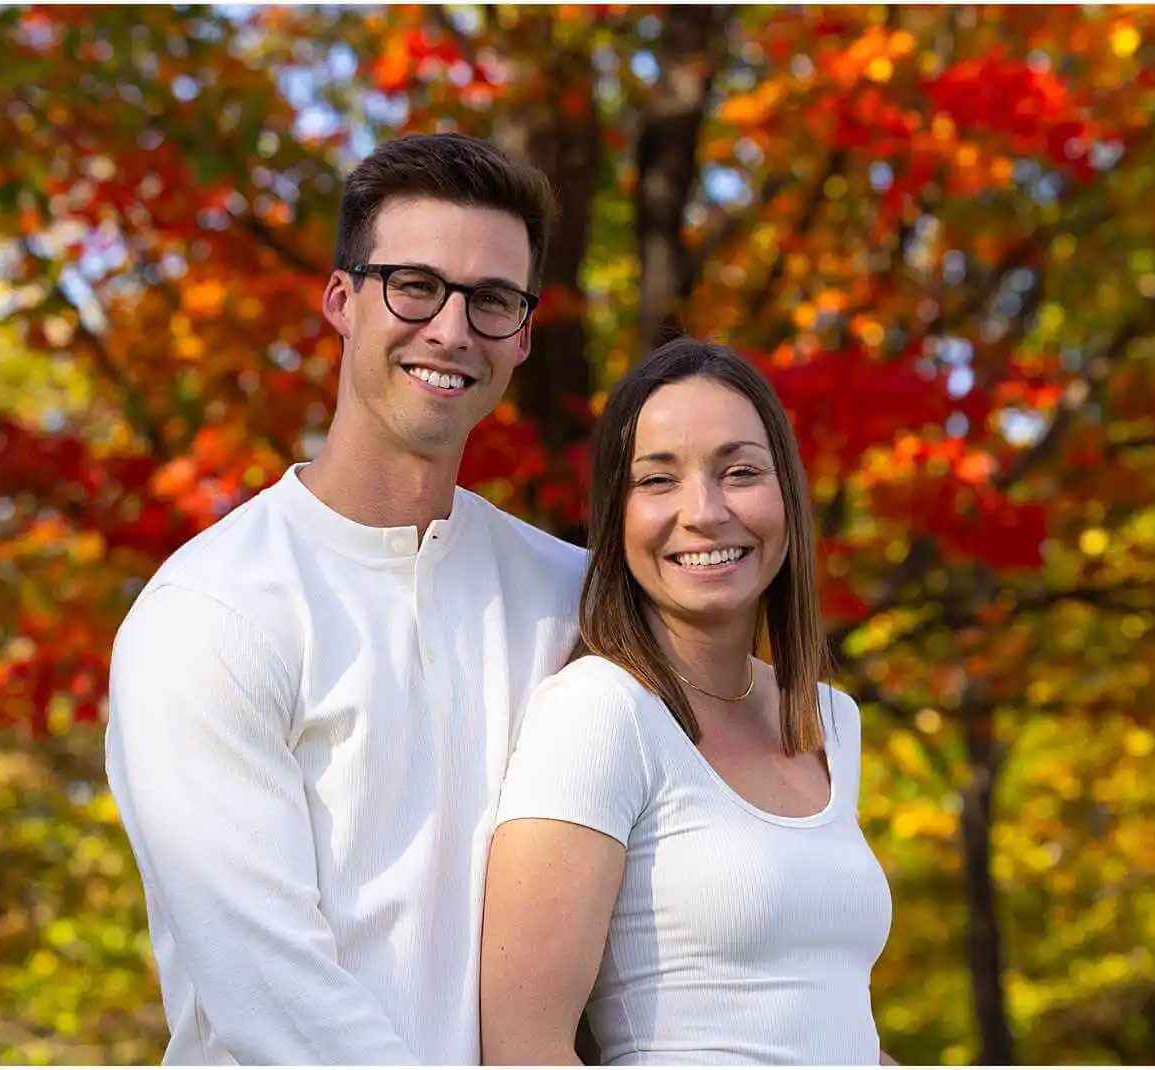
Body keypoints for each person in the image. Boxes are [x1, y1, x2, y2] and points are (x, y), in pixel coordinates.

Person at [105, 132, 586, 1065]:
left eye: (492, 300)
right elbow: (273, 1002)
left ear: (523, 335)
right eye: (414, 284)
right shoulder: (211, 611)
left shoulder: (571, 598)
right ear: (341, 301)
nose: (450, 329)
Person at [480, 337, 895, 1066]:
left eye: (739, 472)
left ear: (787, 498)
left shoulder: (830, 720)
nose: (704, 512)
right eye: (658, 480)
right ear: (617, 515)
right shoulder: (600, 713)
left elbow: (822, 1026)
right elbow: (522, 1048)